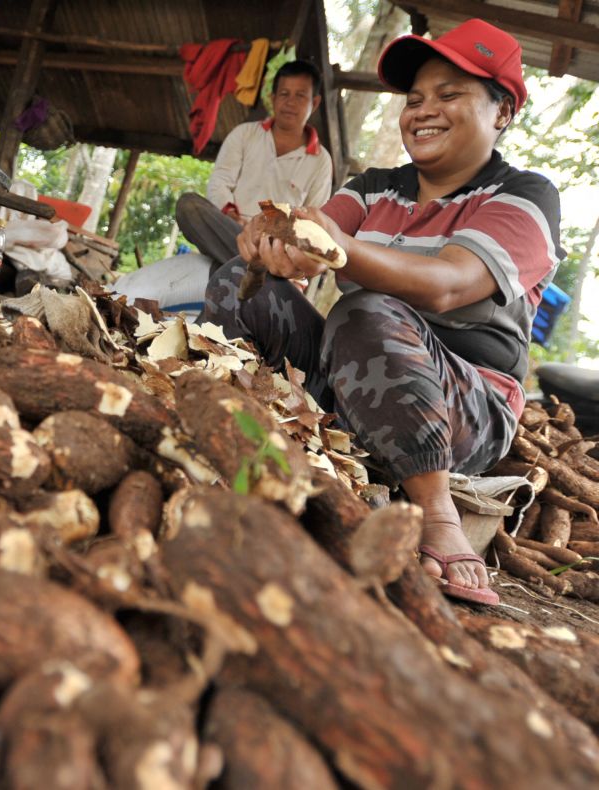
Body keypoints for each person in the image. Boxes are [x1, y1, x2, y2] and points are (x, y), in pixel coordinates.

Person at [202, 18, 563, 605]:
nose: (423, 111)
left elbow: (449, 282)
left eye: (450, 96)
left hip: (461, 409)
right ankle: (240, 433)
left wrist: (336, 248)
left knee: (365, 309)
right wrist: (274, 243)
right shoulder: (374, 187)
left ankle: (435, 508)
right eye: (415, 99)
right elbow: (314, 235)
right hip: (355, 381)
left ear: (502, 112)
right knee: (235, 287)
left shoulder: (523, 196)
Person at [175, 59, 335, 265]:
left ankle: (250, 266)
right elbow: (220, 181)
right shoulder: (245, 134)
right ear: (273, 98)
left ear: (314, 103)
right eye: (284, 94)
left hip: (277, 249)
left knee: (289, 251)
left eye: (300, 96)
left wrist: (272, 239)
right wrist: (232, 216)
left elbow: (313, 222)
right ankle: (253, 268)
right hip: (231, 230)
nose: (290, 102)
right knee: (189, 206)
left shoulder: (321, 161)